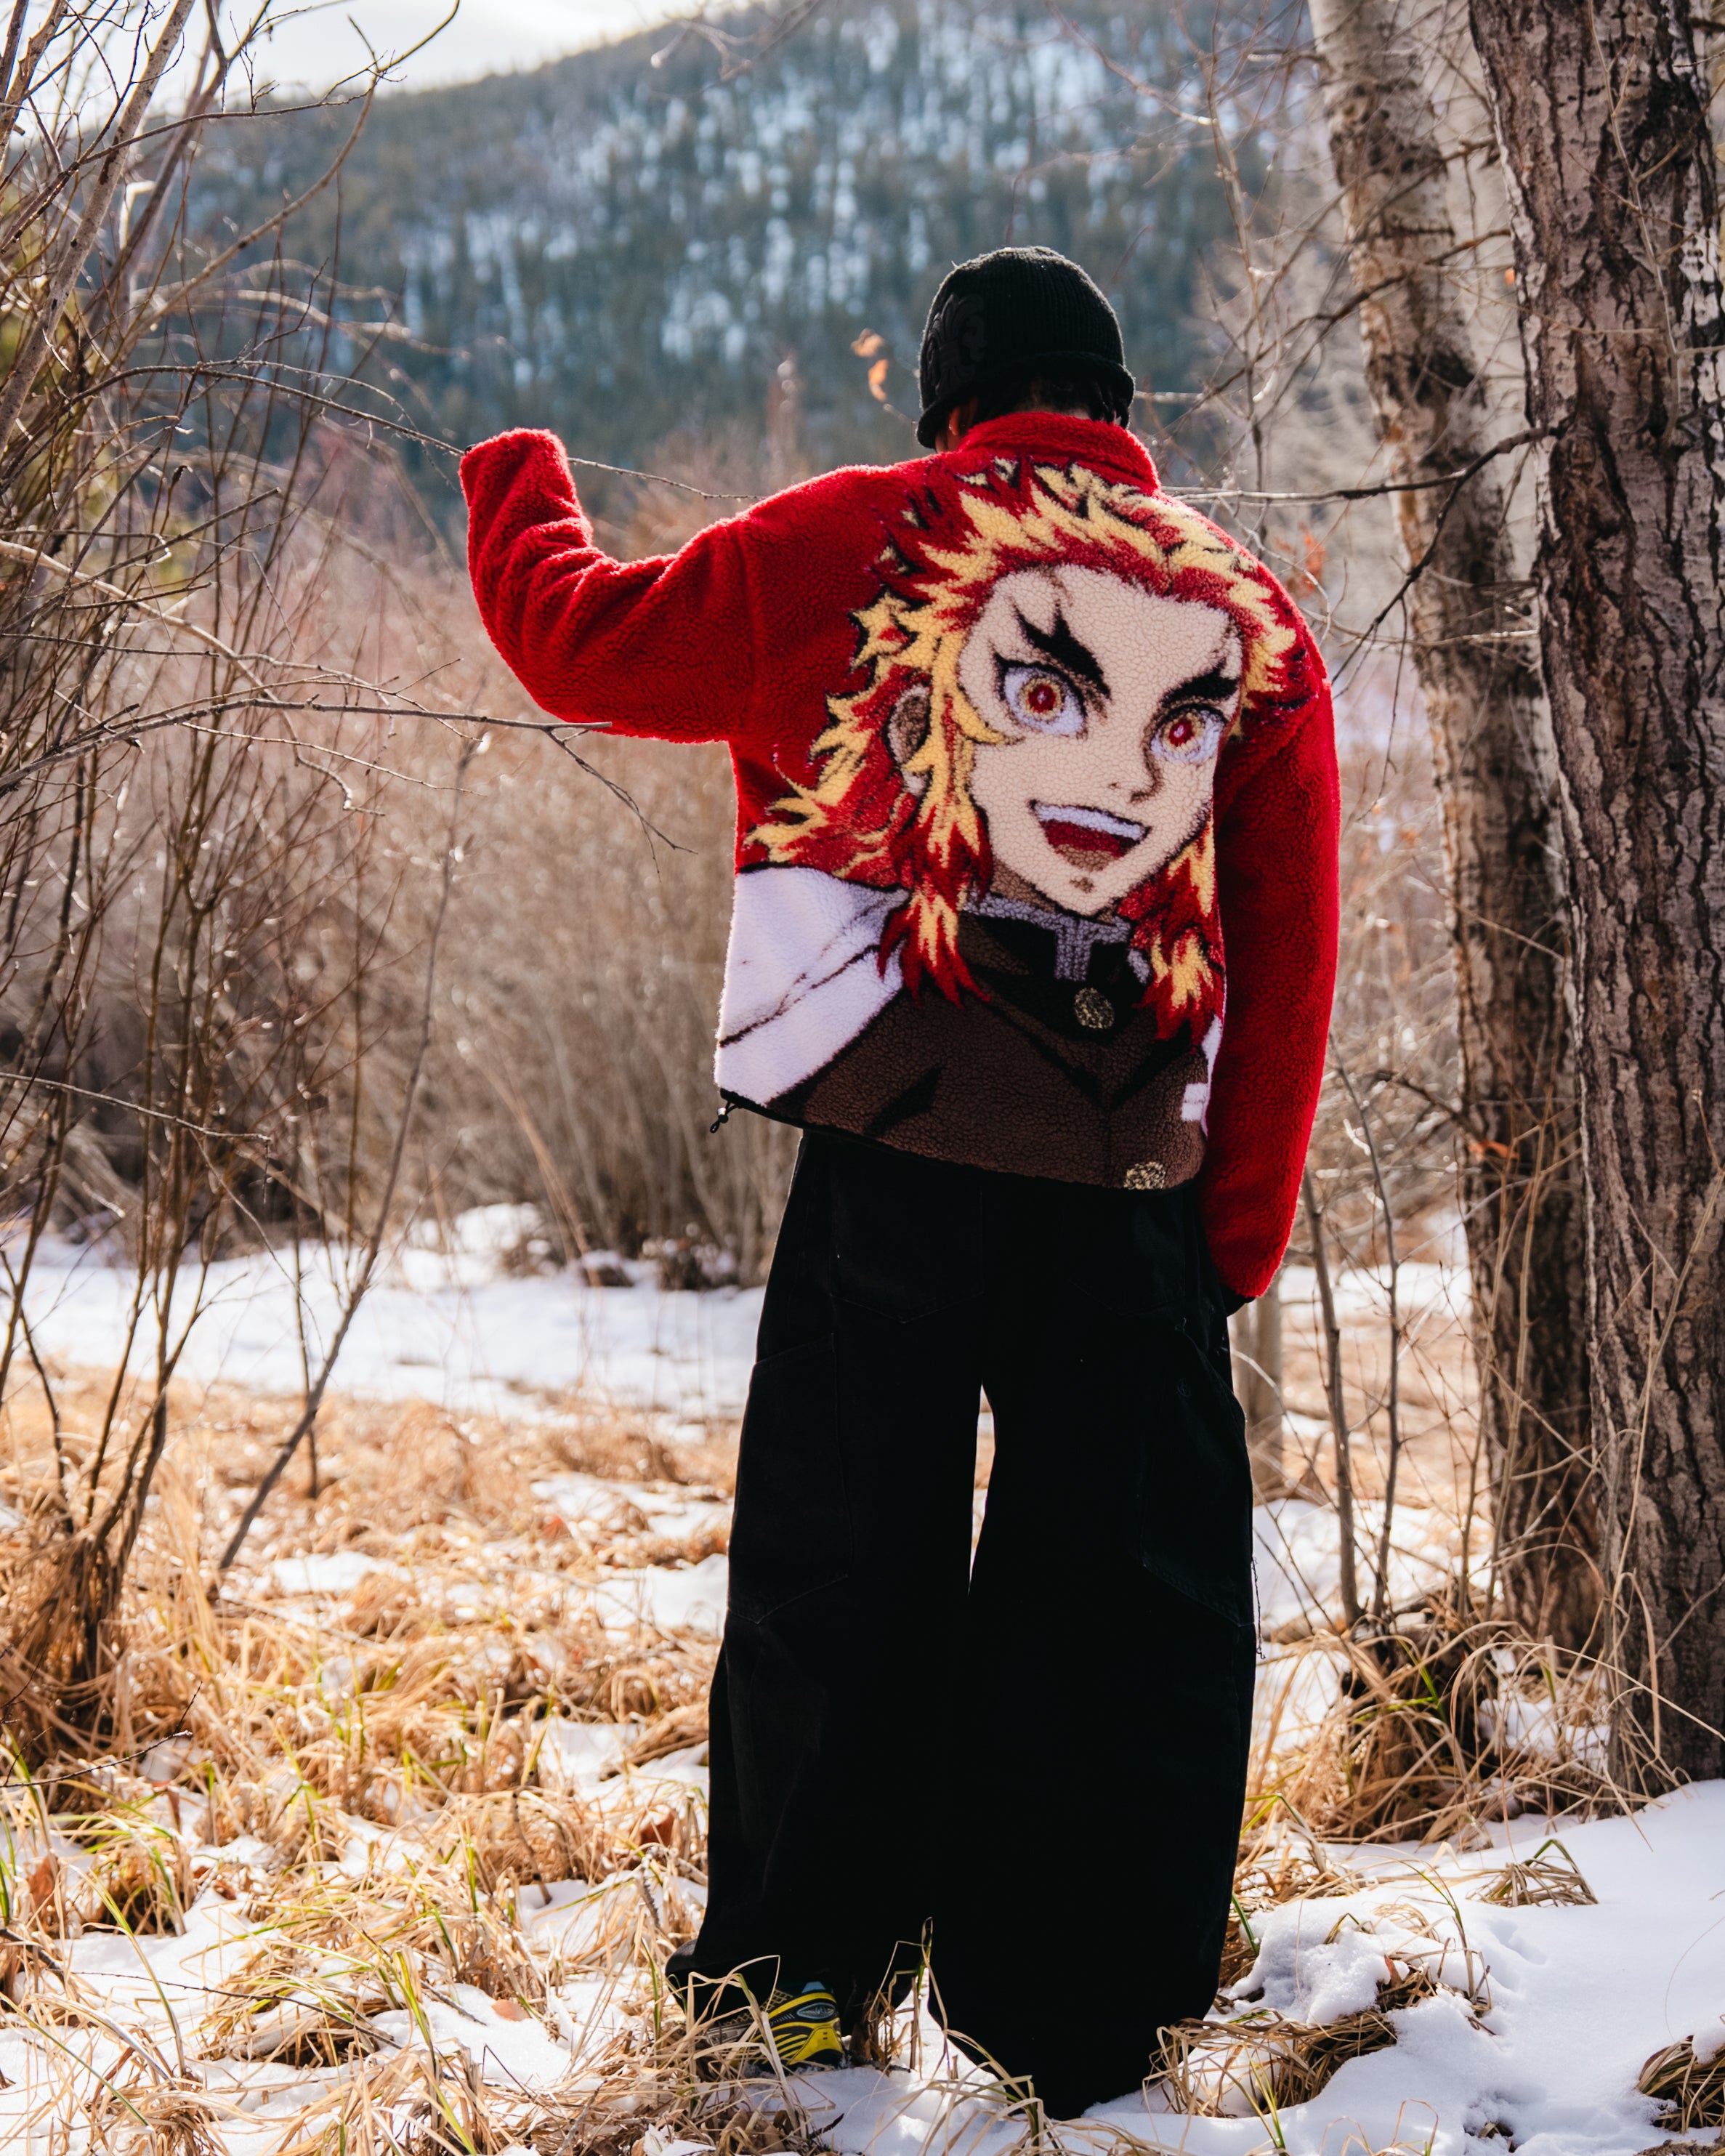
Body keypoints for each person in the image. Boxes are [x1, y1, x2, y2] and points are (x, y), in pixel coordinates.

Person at [461, 245, 1338, 2119]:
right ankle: (1077, 2030)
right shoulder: (1239, 607)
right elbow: (1289, 947)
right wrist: (1235, 1226)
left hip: (888, 1160)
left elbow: (578, 642)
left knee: (839, 1563)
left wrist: (521, 481)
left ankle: (794, 1987)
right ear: (1119, 413)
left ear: (946, 405)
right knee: (1124, 1596)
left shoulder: (849, 540)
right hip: (1131, 1190)